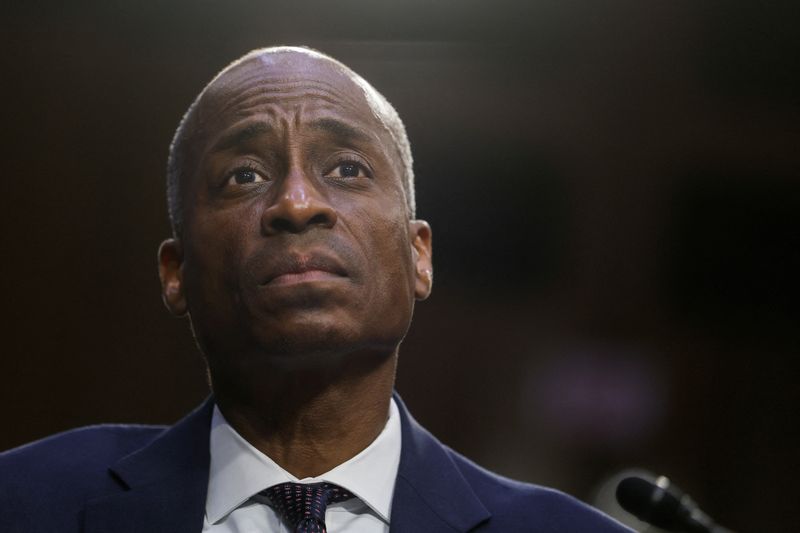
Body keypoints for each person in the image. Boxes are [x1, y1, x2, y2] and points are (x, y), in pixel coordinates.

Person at [0, 46, 631, 532]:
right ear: (175, 273)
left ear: (419, 256)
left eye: (347, 170)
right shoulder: (24, 503)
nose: (297, 204)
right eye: (243, 176)